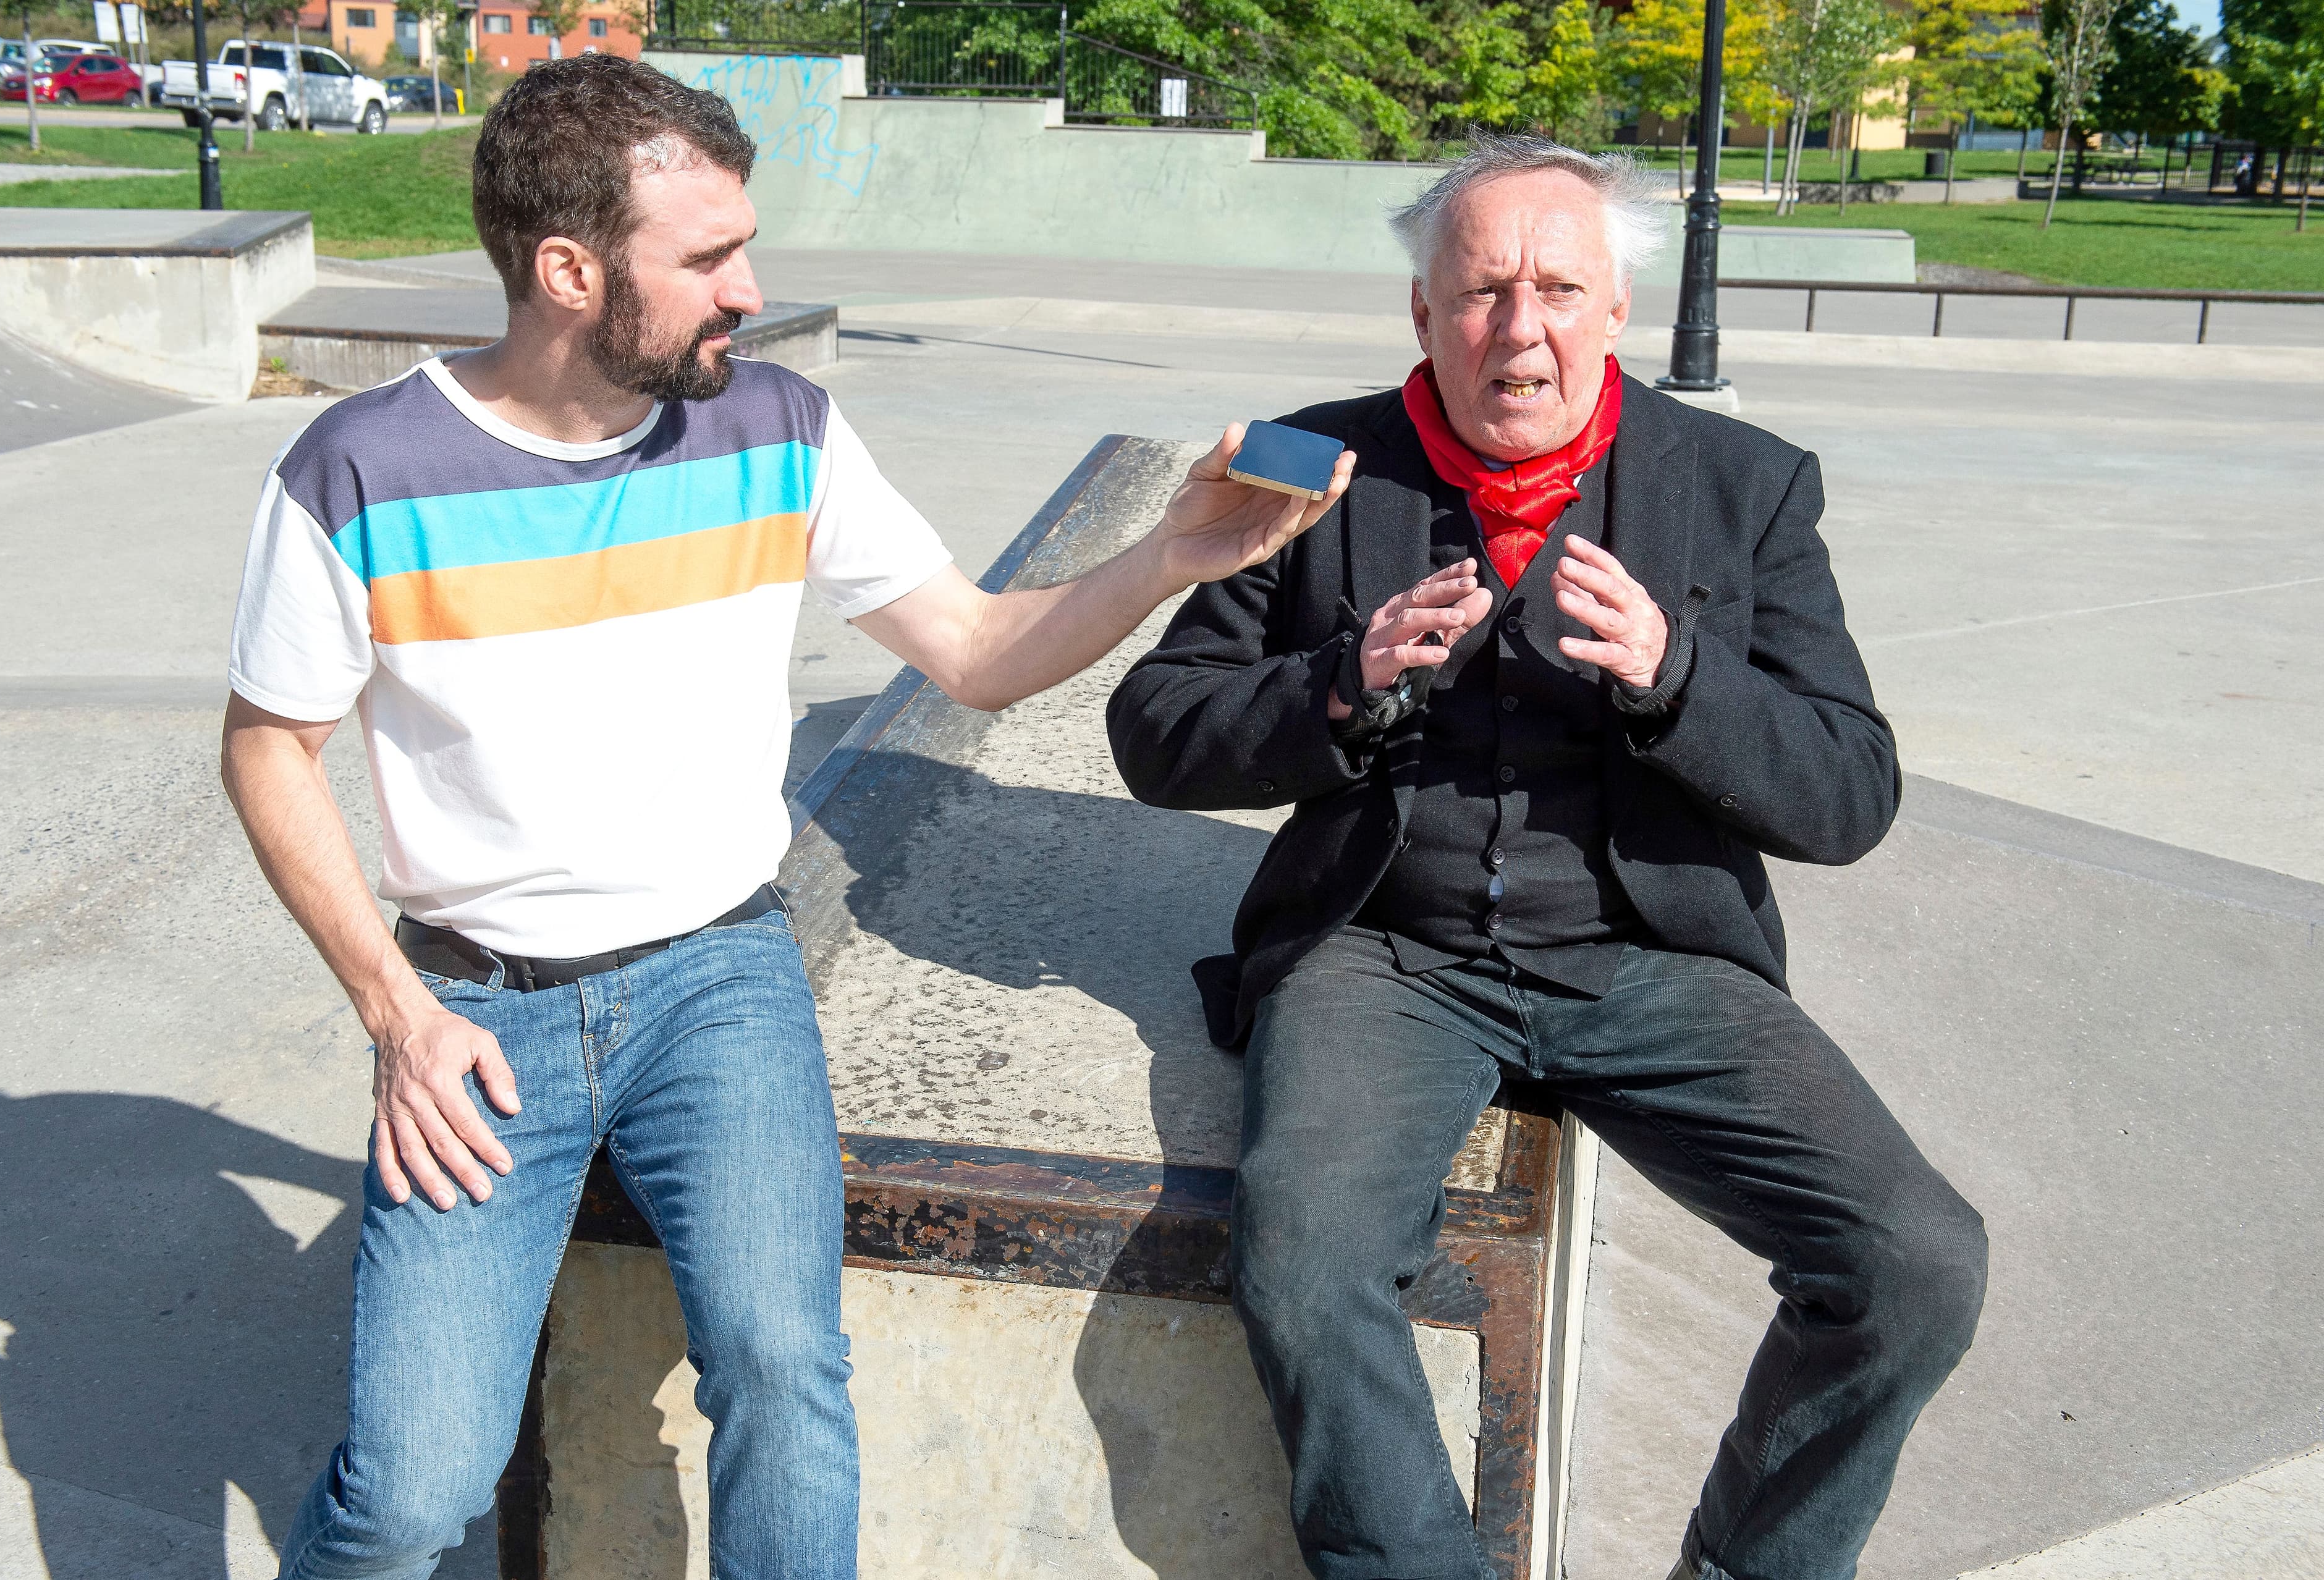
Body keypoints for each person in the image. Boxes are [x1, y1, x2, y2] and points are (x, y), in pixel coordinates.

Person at [221, 53, 1351, 1579]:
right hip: (478, 1014)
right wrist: (393, 1010)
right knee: (413, 1491)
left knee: (788, 1378)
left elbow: (977, 650)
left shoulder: (780, 430)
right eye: (707, 258)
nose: (749, 287)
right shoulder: (357, 467)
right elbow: (271, 746)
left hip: (720, 979)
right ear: (568, 272)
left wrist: (1168, 556)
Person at [1105, 132, 1988, 1580]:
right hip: (1384, 951)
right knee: (1306, 1259)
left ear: (1619, 312)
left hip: (1649, 953)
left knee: (1916, 1262)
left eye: (1560, 289)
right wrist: (1337, 684)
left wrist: (1676, 678)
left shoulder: (1745, 484)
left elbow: (1849, 792)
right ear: (1421, 313)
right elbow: (1157, 730)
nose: (1522, 328)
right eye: (1482, 291)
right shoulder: (1302, 466)